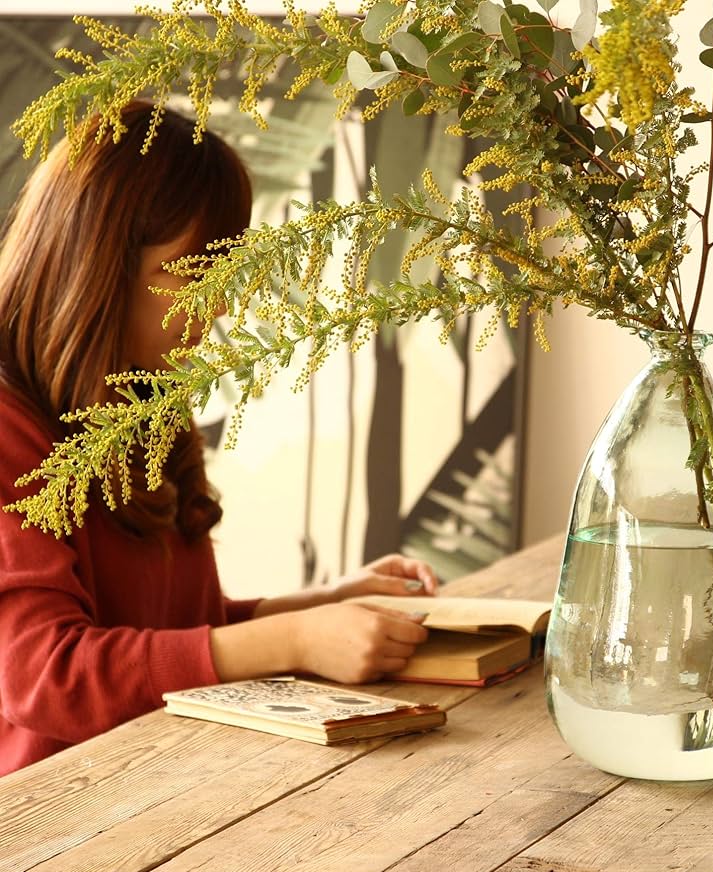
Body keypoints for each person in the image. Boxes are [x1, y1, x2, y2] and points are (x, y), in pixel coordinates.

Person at [0, 101, 436, 776]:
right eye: (191, 273)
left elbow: (169, 636)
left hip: (172, 788)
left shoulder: (144, 399)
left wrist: (323, 604)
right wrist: (294, 638)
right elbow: (47, 677)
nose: (219, 306)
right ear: (95, 266)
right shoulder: (8, 429)